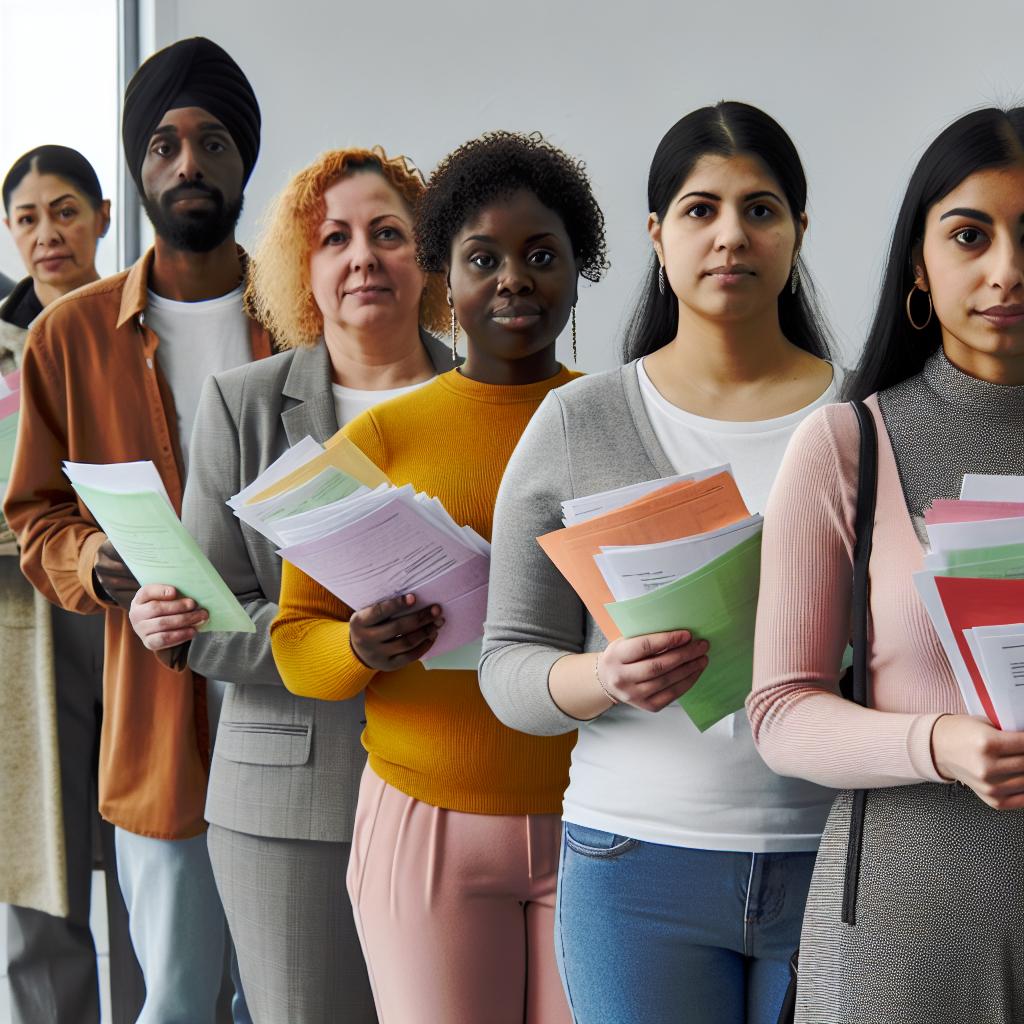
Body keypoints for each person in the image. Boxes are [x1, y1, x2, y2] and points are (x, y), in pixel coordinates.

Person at [479, 103, 839, 1024]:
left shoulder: (862, 416)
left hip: (837, 855)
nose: (731, 235)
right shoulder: (578, 423)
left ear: (799, 230)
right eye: (700, 209)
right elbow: (507, 665)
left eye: (761, 209)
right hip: (634, 864)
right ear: (656, 234)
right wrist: (602, 675)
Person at [270, 131, 608, 1024]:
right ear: (440, 276)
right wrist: (357, 644)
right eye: (481, 257)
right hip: (425, 824)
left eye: (542, 255)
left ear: (581, 266)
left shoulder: (614, 423)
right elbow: (295, 644)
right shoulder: (381, 439)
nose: (513, 279)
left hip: (602, 817)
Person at [127, 145, 457, 1024]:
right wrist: (339, 646)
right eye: (334, 237)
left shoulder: (486, 395)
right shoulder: (244, 403)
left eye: (389, 233)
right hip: (288, 800)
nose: (362, 257)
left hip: (463, 788)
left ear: (426, 258)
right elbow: (204, 619)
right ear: (298, 267)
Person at [4, 36, 269, 1023]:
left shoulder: (304, 318)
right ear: (137, 168)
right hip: (157, 731)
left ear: (245, 158)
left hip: (307, 715)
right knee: (176, 1002)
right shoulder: (69, 335)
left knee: (306, 997)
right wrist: (95, 562)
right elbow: (35, 516)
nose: (188, 164)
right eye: (162, 145)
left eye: (211, 142)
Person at [747, 106, 1024, 1023]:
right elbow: (779, 714)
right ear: (919, 260)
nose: (1006, 272)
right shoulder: (846, 447)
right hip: (906, 922)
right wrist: (937, 744)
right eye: (970, 235)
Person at [1, 145, 144, 1024]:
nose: (47, 233)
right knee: (31, 845)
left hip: (133, 609)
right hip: (19, 630)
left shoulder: (136, 328)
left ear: (99, 216)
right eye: (26, 217)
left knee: (146, 846)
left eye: (64, 210)